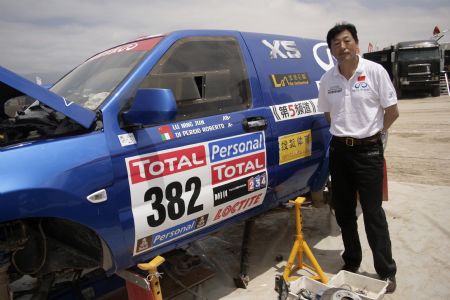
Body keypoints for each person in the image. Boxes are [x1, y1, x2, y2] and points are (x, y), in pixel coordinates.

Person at [318, 22, 399, 293]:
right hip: (340, 151)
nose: (342, 47)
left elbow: (392, 110)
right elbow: (329, 115)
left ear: (356, 43)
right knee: (343, 210)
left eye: (346, 41)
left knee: (373, 213)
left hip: (369, 152)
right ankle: (351, 261)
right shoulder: (328, 80)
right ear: (331, 50)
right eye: (336, 44)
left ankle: (386, 271)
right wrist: (348, 135)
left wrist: (374, 135)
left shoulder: (375, 72)